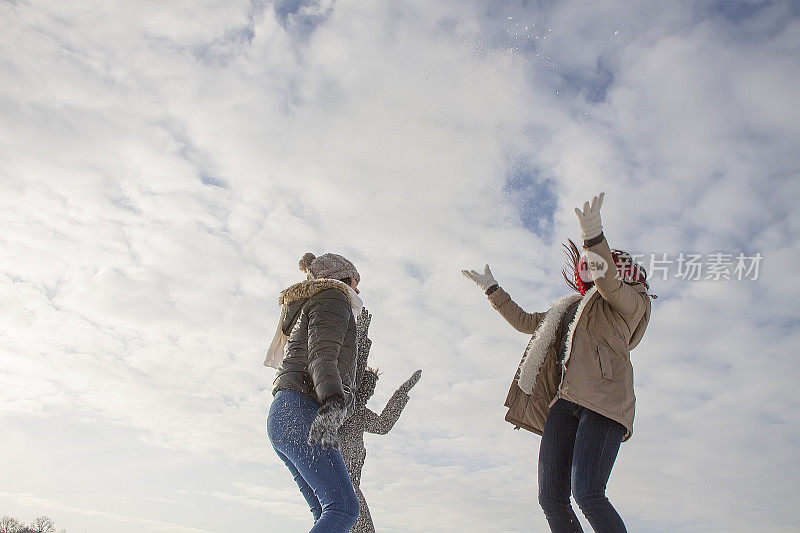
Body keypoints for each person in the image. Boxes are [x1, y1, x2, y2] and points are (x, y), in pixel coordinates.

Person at [462, 193, 653, 533]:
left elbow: (608, 283)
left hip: (605, 403)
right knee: (551, 498)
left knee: (589, 493)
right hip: (565, 403)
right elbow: (525, 322)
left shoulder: (630, 303)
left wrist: (593, 236)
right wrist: (492, 289)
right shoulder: (571, 309)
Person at [265, 252, 364, 532]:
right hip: (300, 410)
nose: (359, 288)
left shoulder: (317, 302)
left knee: (327, 511)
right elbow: (321, 355)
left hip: (285, 415)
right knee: (343, 508)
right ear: (344, 278)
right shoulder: (334, 298)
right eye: (357, 280)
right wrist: (333, 402)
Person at [340, 308, 422, 533]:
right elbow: (353, 366)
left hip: (348, 485)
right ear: (359, 386)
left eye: (373, 389)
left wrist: (403, 391)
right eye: (369, 387)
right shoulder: (347, 406)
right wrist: (362, 335)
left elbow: (384, 425)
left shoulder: (360, 413)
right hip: (340, 483)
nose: (371, 393)